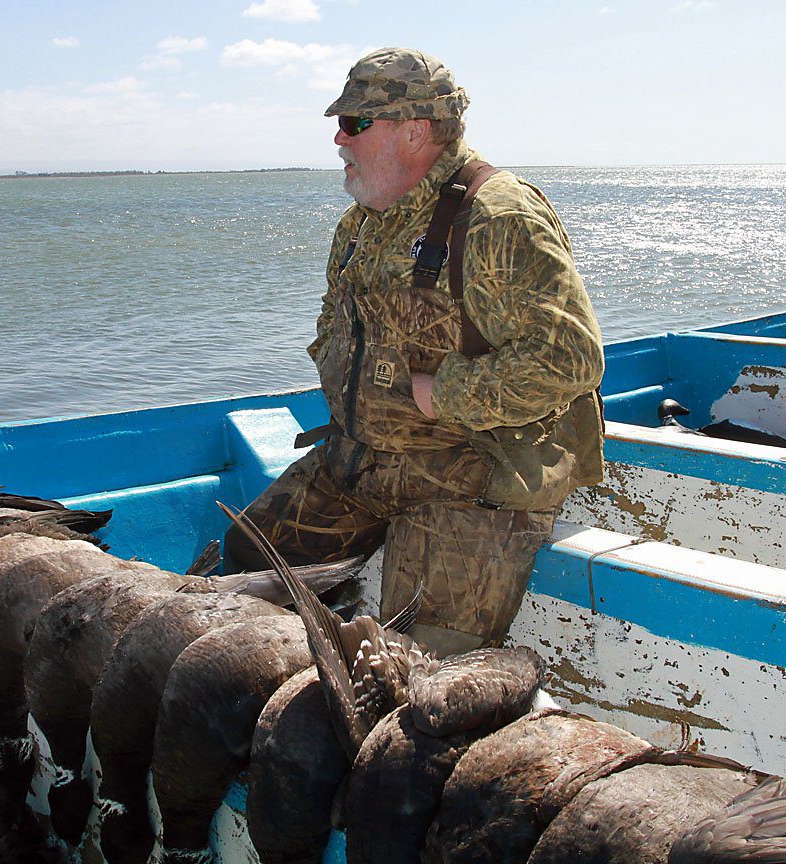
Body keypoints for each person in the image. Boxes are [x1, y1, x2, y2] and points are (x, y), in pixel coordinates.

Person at [225, 47, 605, 656]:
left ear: (415, 130)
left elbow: (570, 360)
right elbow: (334, 317)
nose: (339, 140)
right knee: (242, 565)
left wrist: (444, 393)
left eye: (355, 124)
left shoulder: (497, 217)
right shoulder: (363, 222)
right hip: (361, 461)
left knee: (416, 667)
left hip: (468, 477)